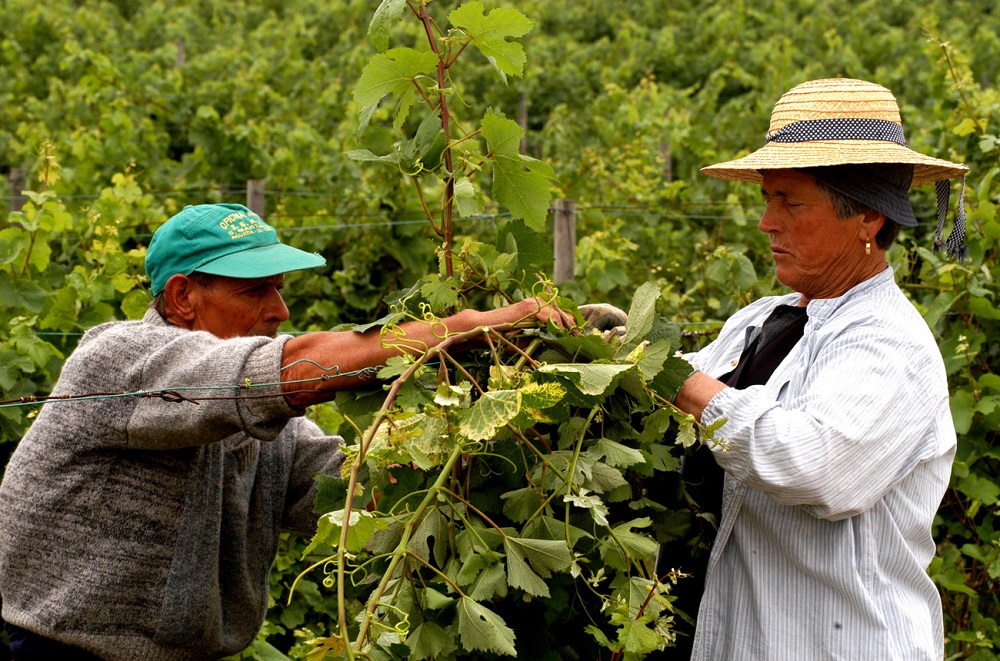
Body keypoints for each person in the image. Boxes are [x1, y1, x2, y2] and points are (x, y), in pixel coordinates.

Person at [0, 203, 591, 660]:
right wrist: (470, 329)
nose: (279, 307)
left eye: (281, 287)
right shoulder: (122, 357)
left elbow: (358, 494)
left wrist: (506, 415)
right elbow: (295, 369)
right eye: (255, 289)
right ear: (182, 296)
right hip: (58, 654)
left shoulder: (269, 431)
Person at [668, 78, 966, 660]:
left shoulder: (889, 344)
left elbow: (818, 467)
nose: (767, 223)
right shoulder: (764, 319)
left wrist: (677, 383)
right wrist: (604, 352)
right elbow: (680, 387)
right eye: (767, 199)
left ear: (868, 219)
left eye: (791, 202)